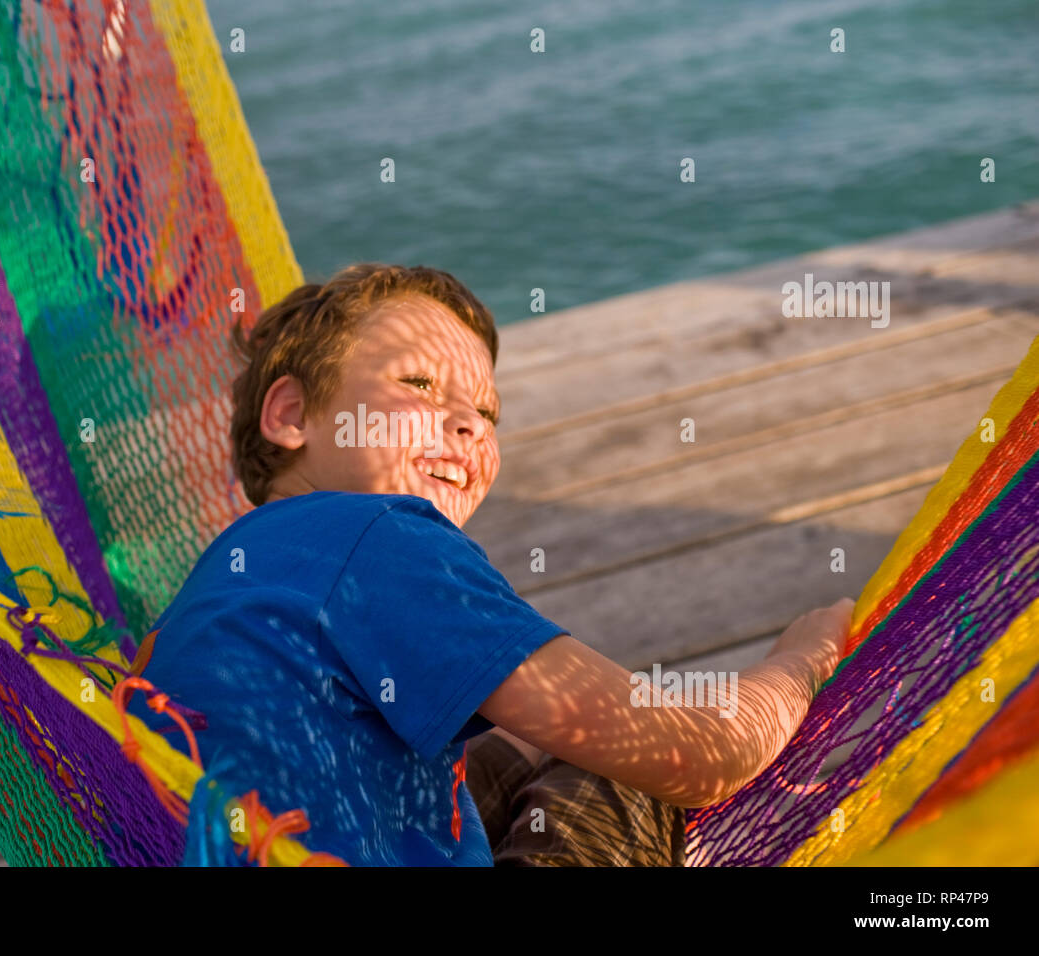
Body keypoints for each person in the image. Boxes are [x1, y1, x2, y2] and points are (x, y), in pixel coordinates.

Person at [129, 262, 852, 866]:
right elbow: (694, 755)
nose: (471, 423)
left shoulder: (234, 570)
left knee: (498, 758)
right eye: (417, 385)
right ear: (291, 415)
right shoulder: (382, 535)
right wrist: (802, 661)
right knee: (624, 770)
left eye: (488, 412)